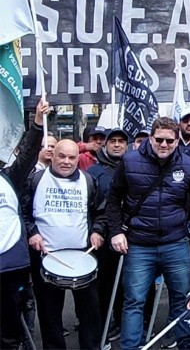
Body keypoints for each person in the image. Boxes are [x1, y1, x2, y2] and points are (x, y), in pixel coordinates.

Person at [106, 117, 190, 350]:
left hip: (175, 242)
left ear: (177, 141)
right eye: (159, 139)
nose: (164, 144)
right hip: (138, 244)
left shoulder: (188, 164)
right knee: (134, 301)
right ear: (150, 138)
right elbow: (113, 200)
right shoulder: (129, 161)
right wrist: (116, 232)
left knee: (183, 298)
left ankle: (185, 346)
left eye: (169, 141)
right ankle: (131, 347)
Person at [24, 139, 106, 349]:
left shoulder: (88, 181)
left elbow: (101, 212)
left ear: (78, 158)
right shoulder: (35, 180)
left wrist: (97, 231)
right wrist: (32, 233)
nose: (66, 161)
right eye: (61, 156)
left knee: (90, 313)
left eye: (71, 157)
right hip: (46, 256)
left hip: (83, 256)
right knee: (49, 314)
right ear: (52, 156)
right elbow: (22, 212)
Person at [0, 100, 46, 349]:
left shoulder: (9, 176)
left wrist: (37, 122)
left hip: (10, 265)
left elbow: (27, 155)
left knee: (10, 327)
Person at [87, 128, 130, 341]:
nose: (117, 145)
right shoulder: (93, 172)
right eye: (112, 141)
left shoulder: (135, 167)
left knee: (127, 286)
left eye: (121, 141)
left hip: (131, 236)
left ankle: (124, 325)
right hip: (103, 239)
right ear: (105, 145)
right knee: (103, 287)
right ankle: (103, 326)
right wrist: (96, 230)